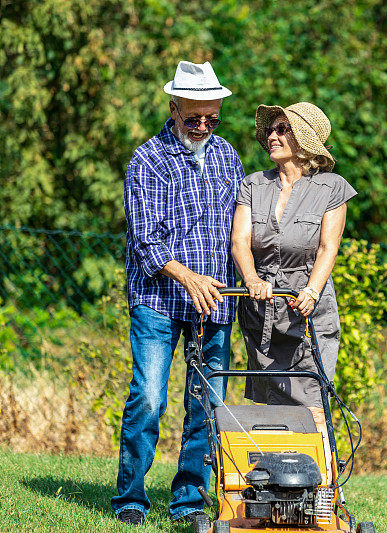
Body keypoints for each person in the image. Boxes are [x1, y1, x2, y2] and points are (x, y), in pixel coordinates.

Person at [111, 61, 244, 526]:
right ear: (174, 108)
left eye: (212, 118)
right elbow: (145, 240)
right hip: (159, 300)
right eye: (194, 118)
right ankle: (130, 498)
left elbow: (239, 233)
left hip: (217, 302)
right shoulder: (146, 160)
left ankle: (188, 501)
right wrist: (189, 277)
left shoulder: (229, 157)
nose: (203, 126)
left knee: (206, 405)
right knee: (149, 397)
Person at [230, 102, 356, 478]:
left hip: (307, 312)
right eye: (271, 129)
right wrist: (252, 280)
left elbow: (327, 249)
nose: (272, 135)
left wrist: (312, 292)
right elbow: (240, 242)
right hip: (263, 309)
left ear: (304, 140)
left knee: (311, 398)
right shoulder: (254, 184)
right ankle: (277, 484)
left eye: (283, 129)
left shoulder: (332, 188)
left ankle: (324, 488)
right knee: (272, 402)